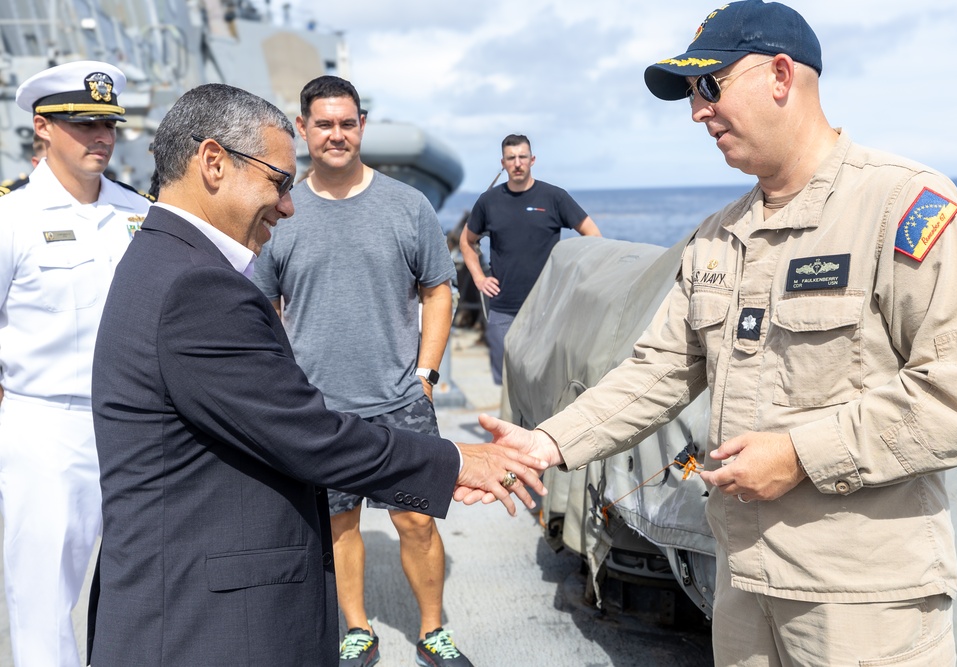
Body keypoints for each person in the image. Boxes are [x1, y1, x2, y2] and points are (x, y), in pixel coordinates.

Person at [475, 1, 957, 664]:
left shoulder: (903, 208)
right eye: (692, 94)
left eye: (709, 86)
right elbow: (656, 372)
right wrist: (547, 442)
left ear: (781, 75)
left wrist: (802, 455)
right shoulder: (718, 238)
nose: (697, 111)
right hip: (742, 582)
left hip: (864, 601)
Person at [88, 82, 544, 666]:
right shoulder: (196, 287)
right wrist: (457, 460)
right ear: (212, 162)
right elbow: (305, 435)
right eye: (278, 182)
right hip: (205, 627)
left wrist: (424, 378)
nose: (287, 205)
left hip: (185, 595)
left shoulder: (163, 258)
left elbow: (435, 290)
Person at [253, 75, 472, 667]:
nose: (336, 134)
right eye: (323, 124)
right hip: (319, 407)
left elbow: (438, 289)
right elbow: (262, 303)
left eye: (347, 123)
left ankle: (432, 629)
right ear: (302, 130)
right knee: (340, 525)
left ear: (362, 127)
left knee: (417, 522)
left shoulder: (407, 206)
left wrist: (425, 374)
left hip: (399, 401)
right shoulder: (281, 212)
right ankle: (356, 628)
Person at [0, 60, 150, 667]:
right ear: (42, 127)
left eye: (109, 123)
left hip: (136, 427)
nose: (102, 137)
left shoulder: (140, 214)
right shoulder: (11, 218)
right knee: (41, 603)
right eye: (84, 123)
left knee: (142, 593)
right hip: (45, 428)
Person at [459, 135, 601, 384]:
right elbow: (467, 241)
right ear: (502, 163)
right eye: (511, 158)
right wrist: (479, 278)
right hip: (503, 308)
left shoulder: (554, 197)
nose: (517, 163)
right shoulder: (488, 201)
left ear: (532, 160)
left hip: (547, 306)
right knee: (505, 383)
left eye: (522, 157)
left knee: (544, 382)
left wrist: (573, 278)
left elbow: (593, 235)